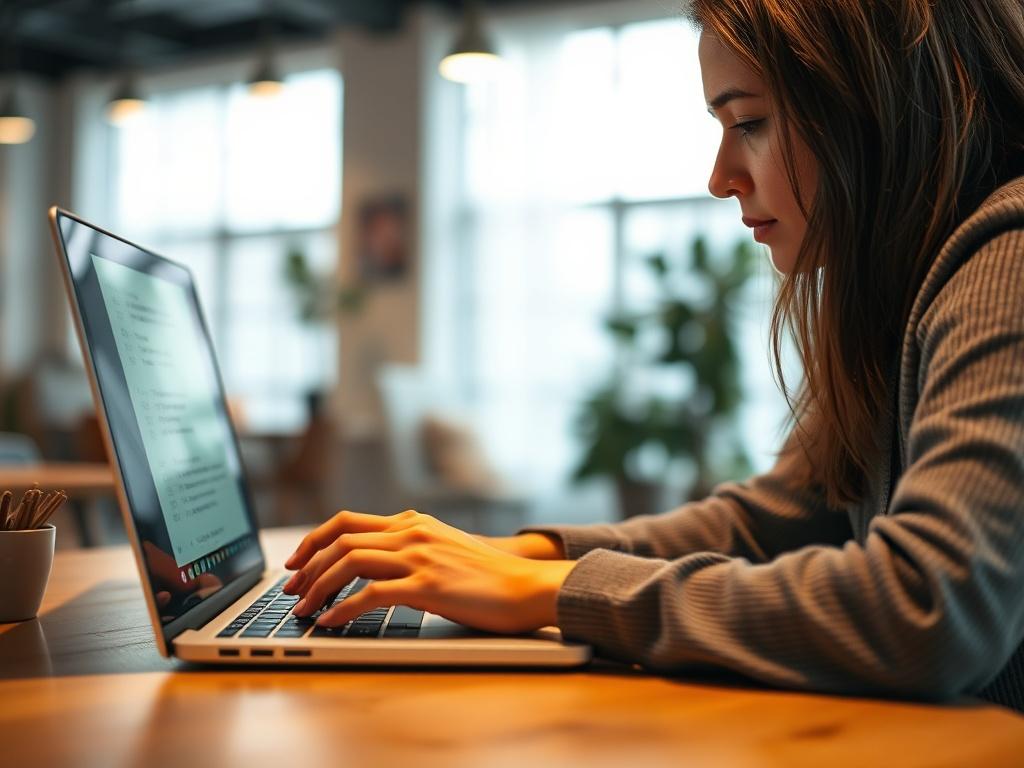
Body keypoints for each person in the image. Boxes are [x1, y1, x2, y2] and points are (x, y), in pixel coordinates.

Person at [283, 0, 1024, 708]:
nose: (719, 176)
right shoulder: (898, 293)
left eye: (752, 122)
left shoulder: (1007, 261)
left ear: (876, 102)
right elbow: (767, 523)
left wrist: (551, 591)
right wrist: (517, 553)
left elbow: (934, 607)